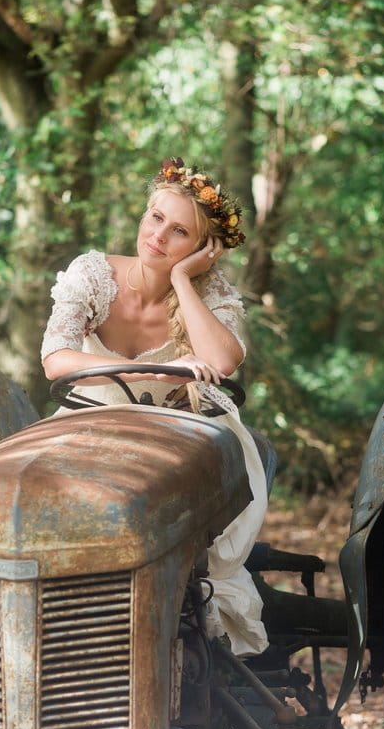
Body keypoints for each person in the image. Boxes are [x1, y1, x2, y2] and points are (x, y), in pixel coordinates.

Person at [41, 157, 269, 657]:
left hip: (179, 428)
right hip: (94, 418)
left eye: (180, 231)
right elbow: (56, 357)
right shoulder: (94, 274)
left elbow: (221, 362)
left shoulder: (210, 294)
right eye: (155, 217)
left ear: (202, 249)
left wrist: (185, 281)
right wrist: (151, 371)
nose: (159, 236)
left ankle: (181, 627)